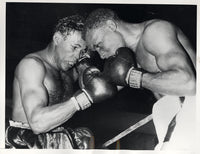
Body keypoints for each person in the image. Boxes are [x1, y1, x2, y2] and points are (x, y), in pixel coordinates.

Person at [83, 8, 196, 150]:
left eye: (99, 45)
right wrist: (90, 89)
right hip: (173, 112)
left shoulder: (155, 32)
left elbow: (188, 84)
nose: (101, 55)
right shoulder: (128, 55)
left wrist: (135, 77)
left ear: (111, 26)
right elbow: (110, 86)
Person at [6, 15, 117, 149]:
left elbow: (104, 88)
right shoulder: (32, 66)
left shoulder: (72, 69)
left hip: (57, 139)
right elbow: (37, 123)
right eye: (74, 47)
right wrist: (82, 99)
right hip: (27, 142)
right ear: (57, 38)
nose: (77, 56)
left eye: (82, 51)